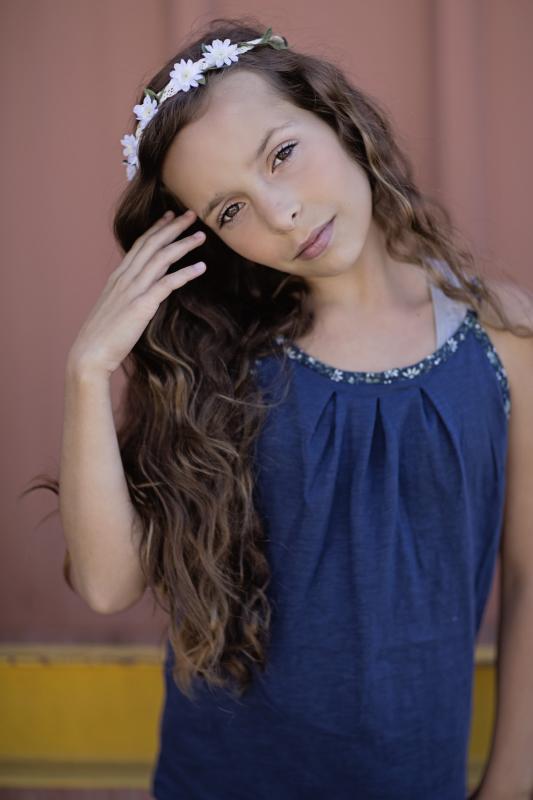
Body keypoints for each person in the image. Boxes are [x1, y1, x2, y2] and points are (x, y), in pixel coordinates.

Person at [26, 15, 533, 800]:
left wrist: (508, 784)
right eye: (229, 211)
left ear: (337, 118)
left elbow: (529, 573)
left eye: (282, 155)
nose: (280, 213)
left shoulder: (500, 340)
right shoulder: (221, 364)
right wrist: (87, 371)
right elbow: (107, 584)